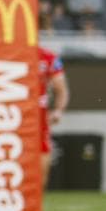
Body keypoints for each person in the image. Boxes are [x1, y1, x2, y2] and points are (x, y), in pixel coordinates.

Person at [38, 46, 69, 189]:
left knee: (42, 160)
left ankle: (34, 201)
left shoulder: (47, 57)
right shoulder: (5, 55)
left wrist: (58, 110)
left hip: (38, 118)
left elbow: (61, 88)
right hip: (10, 116)